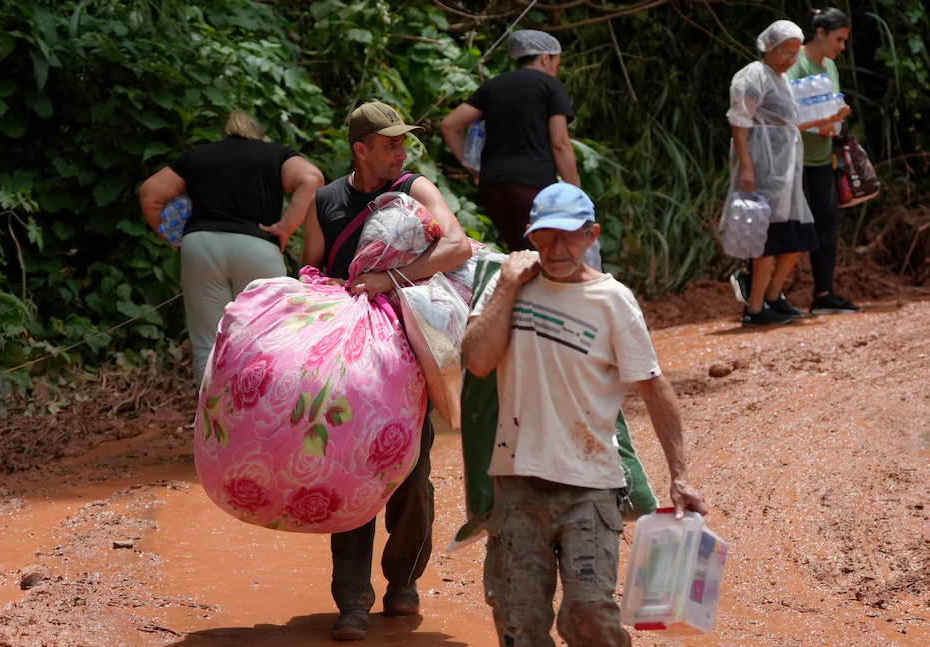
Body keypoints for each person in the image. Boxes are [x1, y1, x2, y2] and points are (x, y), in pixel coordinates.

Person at [461, 182, 707, 647]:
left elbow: (655, 389)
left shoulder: (614, 300)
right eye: (546, 235)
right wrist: (510, 285)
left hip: (591, 485)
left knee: (589, 613)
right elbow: (476, 360)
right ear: (530, 236)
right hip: (516, 483)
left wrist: (680, 476)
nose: (558, 248)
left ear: (591, 235)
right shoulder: (505, 286)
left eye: (570, 235)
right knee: (521, 624)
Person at [302, 100, 472, 641]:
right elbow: (311, 268)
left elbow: (457, 244)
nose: (401, 151)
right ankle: (351, 600)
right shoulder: (325, 201)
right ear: (360, 148)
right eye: (390, 143)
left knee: (410, 469)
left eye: (403, 142)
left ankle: (403, 579)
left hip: (405, 354)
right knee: (350, 469)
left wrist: (390, 279)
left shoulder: (416, 188)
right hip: (346, 362)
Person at [139, 111, 324, 384]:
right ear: (260, 136)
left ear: (225, 135)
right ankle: (262, 419)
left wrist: (176, 239)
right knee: (267, 340)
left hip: (200, 245)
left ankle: (209, 422)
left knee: (208, 343)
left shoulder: (197, 156)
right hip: (257, 246)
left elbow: (150, 193)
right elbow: (312, 178)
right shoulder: (274, 154)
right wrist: (285, 228)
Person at [723, 21, 845, 327]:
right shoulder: (754, 74)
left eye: (794, 54)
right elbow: (739, 121)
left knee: (798, 238)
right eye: (785, 53)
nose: (790, 61)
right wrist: (746, 165)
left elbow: (789, 123)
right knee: (768, 241)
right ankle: (755, 307)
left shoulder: (782, 79)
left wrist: (829, 117)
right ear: (769, 47)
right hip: (764, 167)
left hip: (785, 171)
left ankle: (774, 297)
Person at [440, 29, 579, 252]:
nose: (555, 69)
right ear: (545, 57)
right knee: (542, 254)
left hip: (493, 185)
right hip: (533, 185)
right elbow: (560, 143)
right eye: (556, 62)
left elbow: (449, 125)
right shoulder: (550, 85)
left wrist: (475, 169)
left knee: (519, 251)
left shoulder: (493, 86)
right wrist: (575, 193)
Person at [786, 8, 860, 315]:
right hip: (794, 157)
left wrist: (839, 119)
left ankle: (824, 293)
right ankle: (764, 294)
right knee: (789, 226)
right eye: (839, 39)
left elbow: (833, 103)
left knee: (827, 225)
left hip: (821, 156)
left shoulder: (829, 65)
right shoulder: (794, 64)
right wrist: (823, 120)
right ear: (820, 33)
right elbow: (786, 110)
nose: (842, 47)